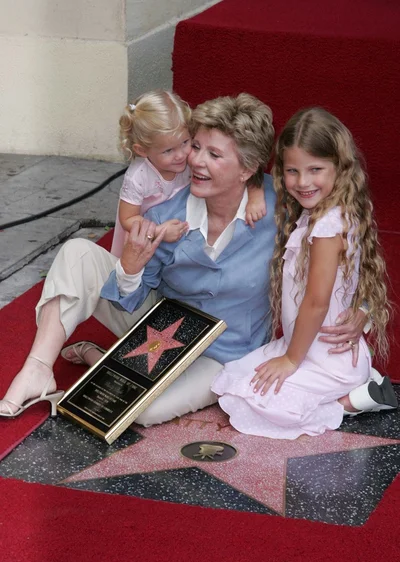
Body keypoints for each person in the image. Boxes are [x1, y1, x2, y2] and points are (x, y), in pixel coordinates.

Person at [0, 96, 367, 424]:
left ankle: (105, 360)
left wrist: (363, 308)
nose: (195, 160)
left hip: (224, 350)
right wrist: (129, 266)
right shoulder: (165, 214)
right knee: (77, 253)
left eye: (214, 154)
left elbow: (345, 245)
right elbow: (128, 298)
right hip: (160, 324)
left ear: (247, 169)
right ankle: (37, 369)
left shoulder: (282, 205)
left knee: (142, 412)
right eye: (195, 146)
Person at [212, 107, 397, 439]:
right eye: (292, 171)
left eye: (315, 169)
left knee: (259, 404)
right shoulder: (326, 213)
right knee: (235, 379)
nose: (302, 182)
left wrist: (291, 361)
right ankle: (358, 382)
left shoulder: (326, 226)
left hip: (321, 356)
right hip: (308, 345)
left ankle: (351, 401)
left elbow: (316, 302)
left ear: (340, 168)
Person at [110, 89, 267, 259]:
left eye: (186, 142)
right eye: (168, 150)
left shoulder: (185, 158)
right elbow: (128, 219)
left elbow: (243, 173)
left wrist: (255, 194)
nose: (182, 155)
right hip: (144, 232)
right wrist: (158, 231)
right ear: (142, 150)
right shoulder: (137, 177)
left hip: (179, 222)